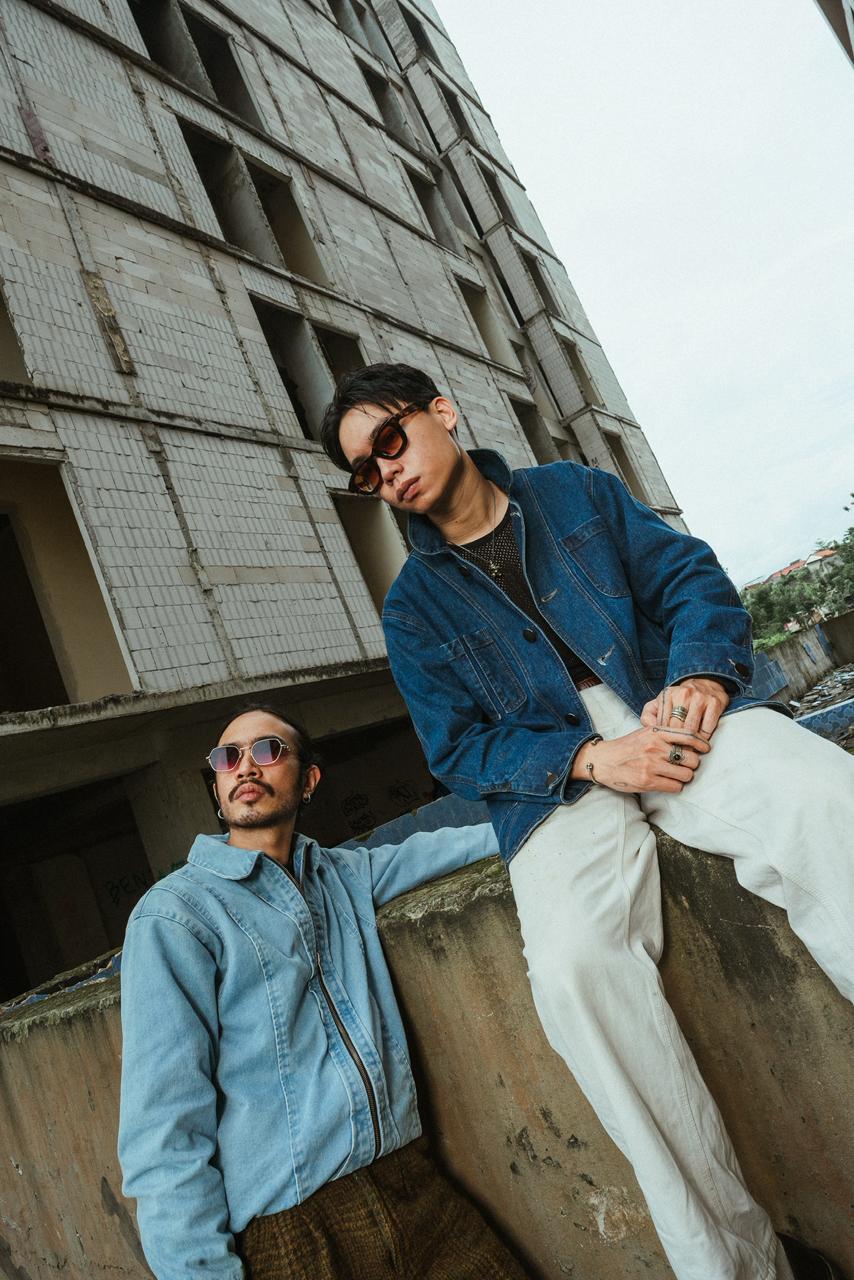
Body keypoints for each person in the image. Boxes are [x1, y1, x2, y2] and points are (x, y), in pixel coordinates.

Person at [320, 363, 853, 1280]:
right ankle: (738, 1265)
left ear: (443, 412)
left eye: (391, 441)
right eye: (365, 471)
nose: (386, 472)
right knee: (573, 978)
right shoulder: (411, 609)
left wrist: (699, 674)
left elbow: (687, 576)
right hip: (556, 778)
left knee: (821, 799)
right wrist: (590, 759)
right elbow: (457, 748)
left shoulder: (575, 491)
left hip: (664, 704)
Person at [118, 703, 529, 1280]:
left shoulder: (340, 875)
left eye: (267, 750)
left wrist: (565, 802)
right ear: (217, 788)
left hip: (411, 1184)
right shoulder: (176, 915)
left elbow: (451, 847)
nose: (245, 767)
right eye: (227, 758)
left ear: (308, 779)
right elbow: (164, 1123)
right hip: (293, 1232)